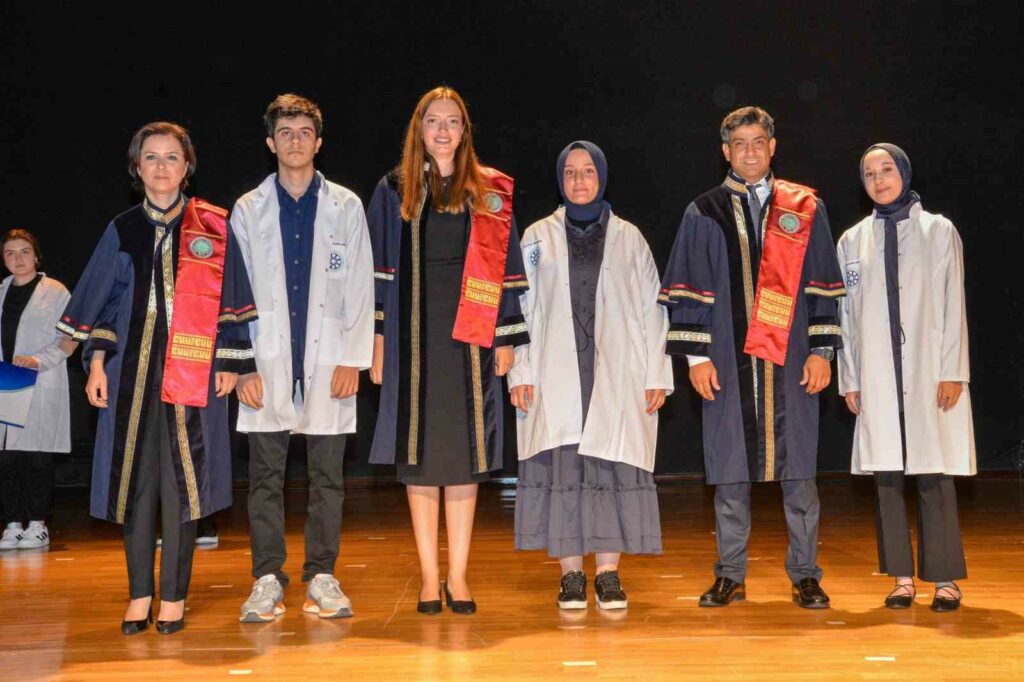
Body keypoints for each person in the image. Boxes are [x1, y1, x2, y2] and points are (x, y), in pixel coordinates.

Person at [57, 121, 257, 635]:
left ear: (188, 166)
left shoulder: (213, 226)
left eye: (172, 157)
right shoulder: (122, 229)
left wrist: (231, 362)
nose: (161, 166)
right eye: (151, 157)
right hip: (131, 378)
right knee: (138, 487)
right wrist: (96, 363)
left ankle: (173, 596)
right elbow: (104, 305)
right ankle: (139, 593)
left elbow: (233, 299)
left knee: (183, 488)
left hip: (195, 374)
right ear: (136, 167)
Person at [660, 106, 845, 609]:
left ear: (772, 146)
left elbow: (822, 283)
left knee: (800, 475)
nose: (749, 152)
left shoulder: (805, 208)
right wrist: (696, 359)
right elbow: (688, 289)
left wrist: (822, 350)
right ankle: (730, 574)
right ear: (725, 151)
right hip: (726, 358)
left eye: (758, 142)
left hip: (793, 359)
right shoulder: (703, 211)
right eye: (739, 144)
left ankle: (805, 574)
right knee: (729, 474)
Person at [367, 86, 529, 615]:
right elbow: (377, 273)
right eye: (433, 120)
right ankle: (428, 577)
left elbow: (506, 269)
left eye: (452, 121)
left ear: (464, 130)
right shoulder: (393, 188)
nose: (442, 130)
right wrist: (377, 339)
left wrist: (505, 336)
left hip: (470, 339)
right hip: (412, 338)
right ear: (419, 128)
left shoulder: (489, 190)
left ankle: (458, 576)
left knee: (463, 457)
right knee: (418, 458)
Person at [509, 141, 671, 610]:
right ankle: (571, 575)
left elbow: (653, 309)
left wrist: (657, 373)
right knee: (565, 468)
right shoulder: (536, 237)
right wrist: (520, 371)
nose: (579, 181)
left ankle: (608, 574)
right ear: (560, 180)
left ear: (601, 177)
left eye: (587, 172)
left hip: (617, 372)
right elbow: (520, 308)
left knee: (609, 467)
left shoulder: (630, 238)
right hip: (555, 373)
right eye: (570, 173)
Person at [232, 93, 374, 623]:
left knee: (327, 479)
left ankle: (322, 575)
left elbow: (360, 285)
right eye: (285, 132)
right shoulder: (248, 209)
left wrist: (352, 359)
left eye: (304, 132)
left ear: (319, 142)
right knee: (265, 479)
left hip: (330, 359)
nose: (295, 141)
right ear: (271, 144)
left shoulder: (346, 206)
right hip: (266, 361)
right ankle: (267, 577)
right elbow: (234, 291)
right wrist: (242, 363)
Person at [837, 143, 974, 612]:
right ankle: (900, 578)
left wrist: (953, 370)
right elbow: (846, 318)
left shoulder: (939, 231)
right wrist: (851, 379)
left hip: (929, 370)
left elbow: (954, 304)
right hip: (877, 375)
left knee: (934, 474)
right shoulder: (852, 241)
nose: (879, 180)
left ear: (904, 173)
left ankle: (945, 580)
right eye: (870, 174)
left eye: (887, 170)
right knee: (888, 477)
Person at [0, 229, 71, 550]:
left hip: (40, 377)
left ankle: (38, 525)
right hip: (7, 380)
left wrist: (38, 360)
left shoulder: (56, 292)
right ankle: (13, 524)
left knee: (37, 457)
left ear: (36, 256)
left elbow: (69, 339)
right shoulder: (1, 291)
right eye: (10, 253)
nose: (17, 259)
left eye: (24, 251)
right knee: (7, 459)